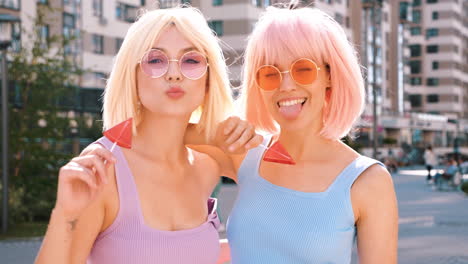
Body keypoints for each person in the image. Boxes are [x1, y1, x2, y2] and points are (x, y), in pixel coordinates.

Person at [35, 6, 261, 264]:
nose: (174, 74)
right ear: (133, 76)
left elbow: (296, 180)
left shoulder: (207, 164)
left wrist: (212, 134)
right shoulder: (105, 168)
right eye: (155, 60)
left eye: (191, 60)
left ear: (209, 79)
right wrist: (63, 215)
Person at [223, 3, 398, 263]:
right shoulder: (244, 155)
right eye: (270, 74)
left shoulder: (368, 181)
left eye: (302, 69)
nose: (286, 85)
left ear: (329, 75)